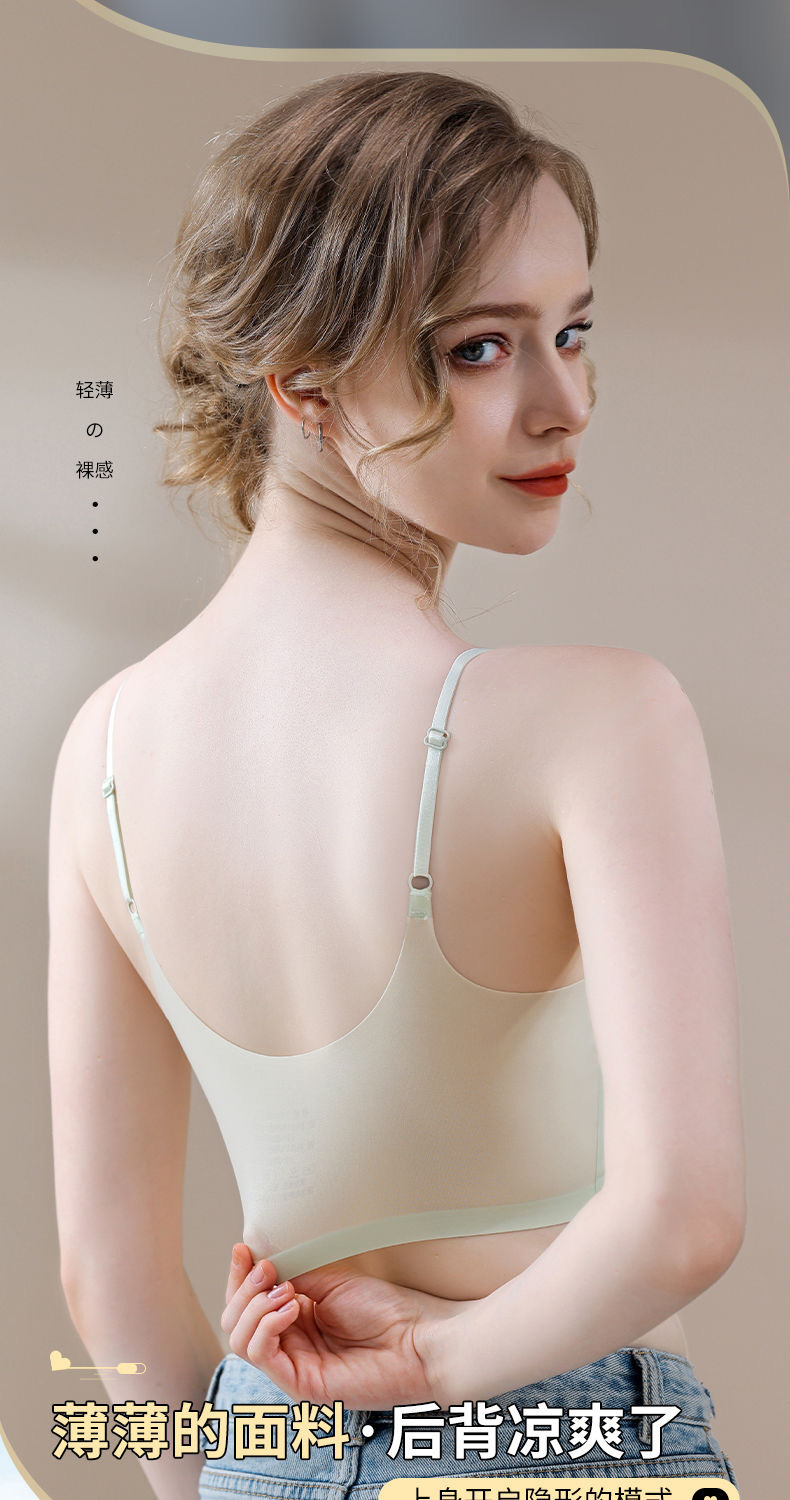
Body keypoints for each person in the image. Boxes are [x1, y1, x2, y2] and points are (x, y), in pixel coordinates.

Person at [48, 70, 744, 1499]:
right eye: (481, 348)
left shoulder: (101, 755)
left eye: (572, 331)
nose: (564, 404)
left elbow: (107, 1277)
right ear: (302, 383)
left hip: (260, 1441)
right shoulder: (598, 719)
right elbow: (682, 1219)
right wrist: (438, 1363)